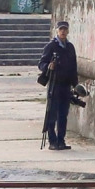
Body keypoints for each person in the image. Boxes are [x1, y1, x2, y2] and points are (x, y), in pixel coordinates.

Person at [38, 21, 78, 150]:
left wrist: (75, 85)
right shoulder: (51, 46)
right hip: (54, 85)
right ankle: (52, 141)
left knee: (63, 115)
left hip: (66, 85)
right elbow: (41, 64)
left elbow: (73, 67)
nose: (63, 31)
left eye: (65, 29)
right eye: (61, 29)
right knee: (52, 114)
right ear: (57, 31)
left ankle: (61, 141)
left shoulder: (70, 47)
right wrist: (48, 66)